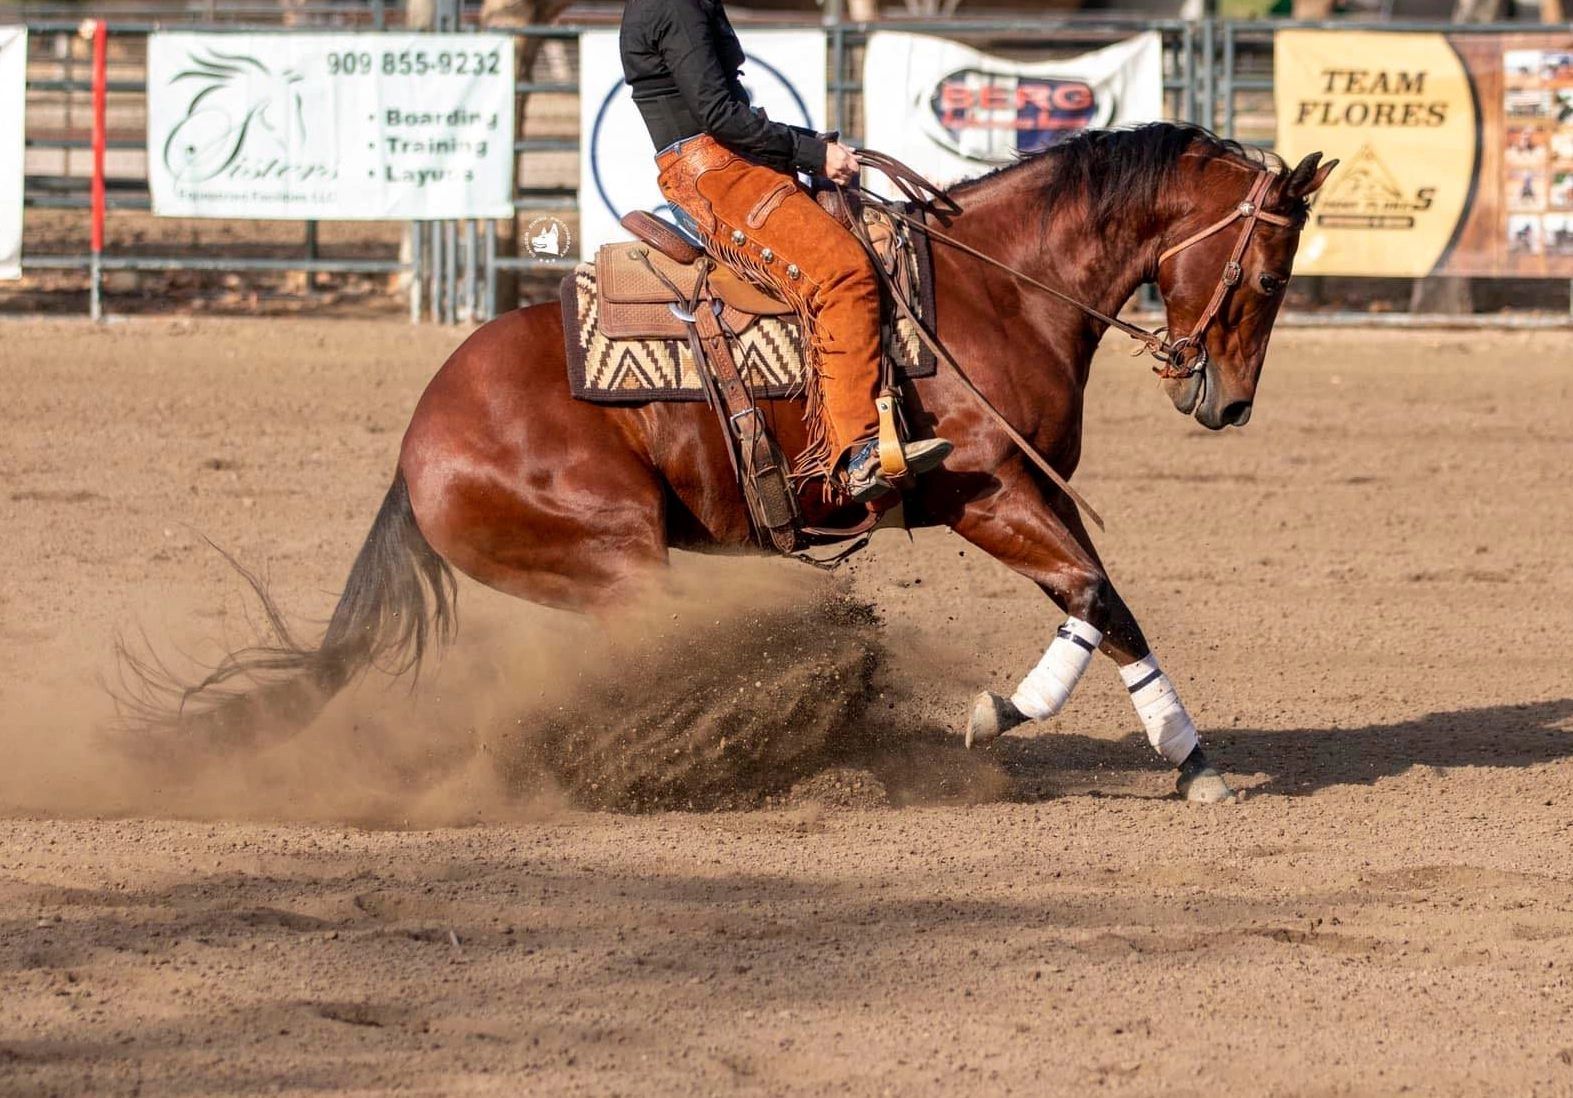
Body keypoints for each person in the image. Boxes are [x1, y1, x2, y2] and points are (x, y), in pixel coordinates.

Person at [619, 0, 951, 502]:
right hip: (715, 172)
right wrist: (813, 153)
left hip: (726, 161)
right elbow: (718, 116)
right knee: (842, 274)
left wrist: (804, 143)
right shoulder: (676, 5)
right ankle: (858, 453)